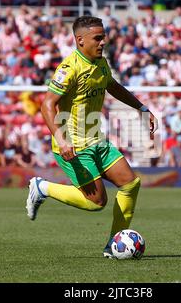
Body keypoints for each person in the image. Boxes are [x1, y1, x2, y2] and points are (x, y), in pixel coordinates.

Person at [25, 16, 157, 258]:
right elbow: (46, 105)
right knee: (96, 202)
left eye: (103, 37)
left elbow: (113, 86)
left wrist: (141, 108)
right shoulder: (69, 68)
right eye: (98, 38)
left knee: (130, 184)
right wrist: (62, 139)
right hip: (73, 144)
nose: (103, 42)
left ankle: (112, 246)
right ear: (80, 40)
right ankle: (42, 187)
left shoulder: (100, 63)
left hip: (97, 139)